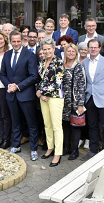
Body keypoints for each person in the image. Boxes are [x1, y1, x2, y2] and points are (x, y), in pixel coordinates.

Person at [0, 30, 39, 161]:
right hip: (11, 94)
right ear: (10, 42)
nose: (16, 43)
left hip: (25, 94)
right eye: (13, 41)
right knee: (15, 122)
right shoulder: (7, 55)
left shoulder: (29, 55)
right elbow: (2, 74)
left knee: (31, 122)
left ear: (22, 41)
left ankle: (34, 149)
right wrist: (9, 85)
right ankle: (16, 145)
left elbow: (34, 76)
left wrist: (18, 86)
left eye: (18, 41)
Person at [37, 37, 64, 166]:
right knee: (47, 125)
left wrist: (44, 93)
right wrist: (39, 92)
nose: (47, 51)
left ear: (53, 49)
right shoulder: (42, 63)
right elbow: (40, 80)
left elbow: (58, 82)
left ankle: (58, 154)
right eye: (44, 49)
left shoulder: (59, 62)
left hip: (55, 98)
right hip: (43, 98)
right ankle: (50, 148)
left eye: (49, 49)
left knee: (57, 126)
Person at [62, 44, 86, 160]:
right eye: (69, 51)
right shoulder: (61, 66)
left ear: (76, 53)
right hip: (63, 101)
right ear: (65, 52)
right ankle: (66, 147)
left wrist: (81, 103)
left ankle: (75, 150)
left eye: (73, 51)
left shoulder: (78, 67)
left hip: (75, 101)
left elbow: (82, 85)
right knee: (65, 125)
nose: (71, 53)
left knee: (75, 126)